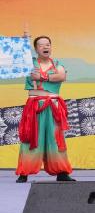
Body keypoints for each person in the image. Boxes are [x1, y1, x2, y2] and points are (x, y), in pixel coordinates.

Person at [14, 36, 75, 183]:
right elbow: (18, 60)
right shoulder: (30, 64)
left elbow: (61, 76)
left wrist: (42, 77)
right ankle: (24, 173)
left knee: (56, 138)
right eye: (41, 45)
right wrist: (22, 43)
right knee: (31, 136)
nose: (45, 47)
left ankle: (61, 172)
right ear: (36, 49)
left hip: (53, 106)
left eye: (47, 44)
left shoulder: (57, 65)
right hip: (35, 106)